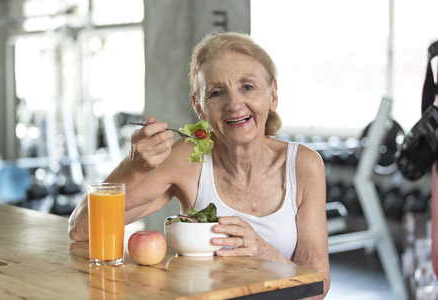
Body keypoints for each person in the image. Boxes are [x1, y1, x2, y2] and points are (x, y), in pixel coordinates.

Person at [68, 31, 330, 298]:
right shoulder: (187, 158)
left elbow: (317, 289)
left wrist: (260, 250)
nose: (234, 104)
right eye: (217, 93)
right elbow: (81, 228)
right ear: (200, 108)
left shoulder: (304, 165)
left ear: (273, 95)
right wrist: (133, 166)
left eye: (248, 87)